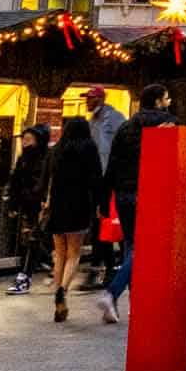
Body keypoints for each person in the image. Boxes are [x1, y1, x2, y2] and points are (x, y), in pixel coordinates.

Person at [98, 83, 176, 324]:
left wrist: (104, 199)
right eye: (166, 98)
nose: (169, 102)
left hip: (123, 194)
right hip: (149, 193)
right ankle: (113, 293)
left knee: (132, 247)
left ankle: (133, 305)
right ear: (156, 101)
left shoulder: (124, 127)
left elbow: (112, 165)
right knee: (144, 249)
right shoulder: (167, 123)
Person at [41, 116, 105, 322]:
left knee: (59, 253)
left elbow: (45, 179)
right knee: (74, 254)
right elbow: (96, 179)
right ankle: (63, 290)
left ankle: (57, 298)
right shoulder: (89, 148)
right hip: (79, 205)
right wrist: (99, 205)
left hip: (57, 205)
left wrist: (45, 203)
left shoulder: (56, 150)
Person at [80, 86, 126, 291]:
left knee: (111, 224)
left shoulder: (113, 117)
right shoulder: (93, 120)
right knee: (100, 225)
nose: (87, 102)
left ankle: (116, 268)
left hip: (109, 180)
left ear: (99, 99)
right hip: (96, 179)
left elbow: (120, 143)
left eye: (90, 98)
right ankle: (106, 268)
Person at [3, 124, 50, 295]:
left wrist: (43, 200)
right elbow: (15, 180)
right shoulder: (23, 159)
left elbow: (45, 182)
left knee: (33, 239)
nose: (25, 143)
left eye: (29, 139)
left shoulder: (46, 158)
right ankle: (48, 262)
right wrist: (13, 203)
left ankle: (25, 276)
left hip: (40, 205)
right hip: (27, 204)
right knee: (30, 239)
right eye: (24, 139)